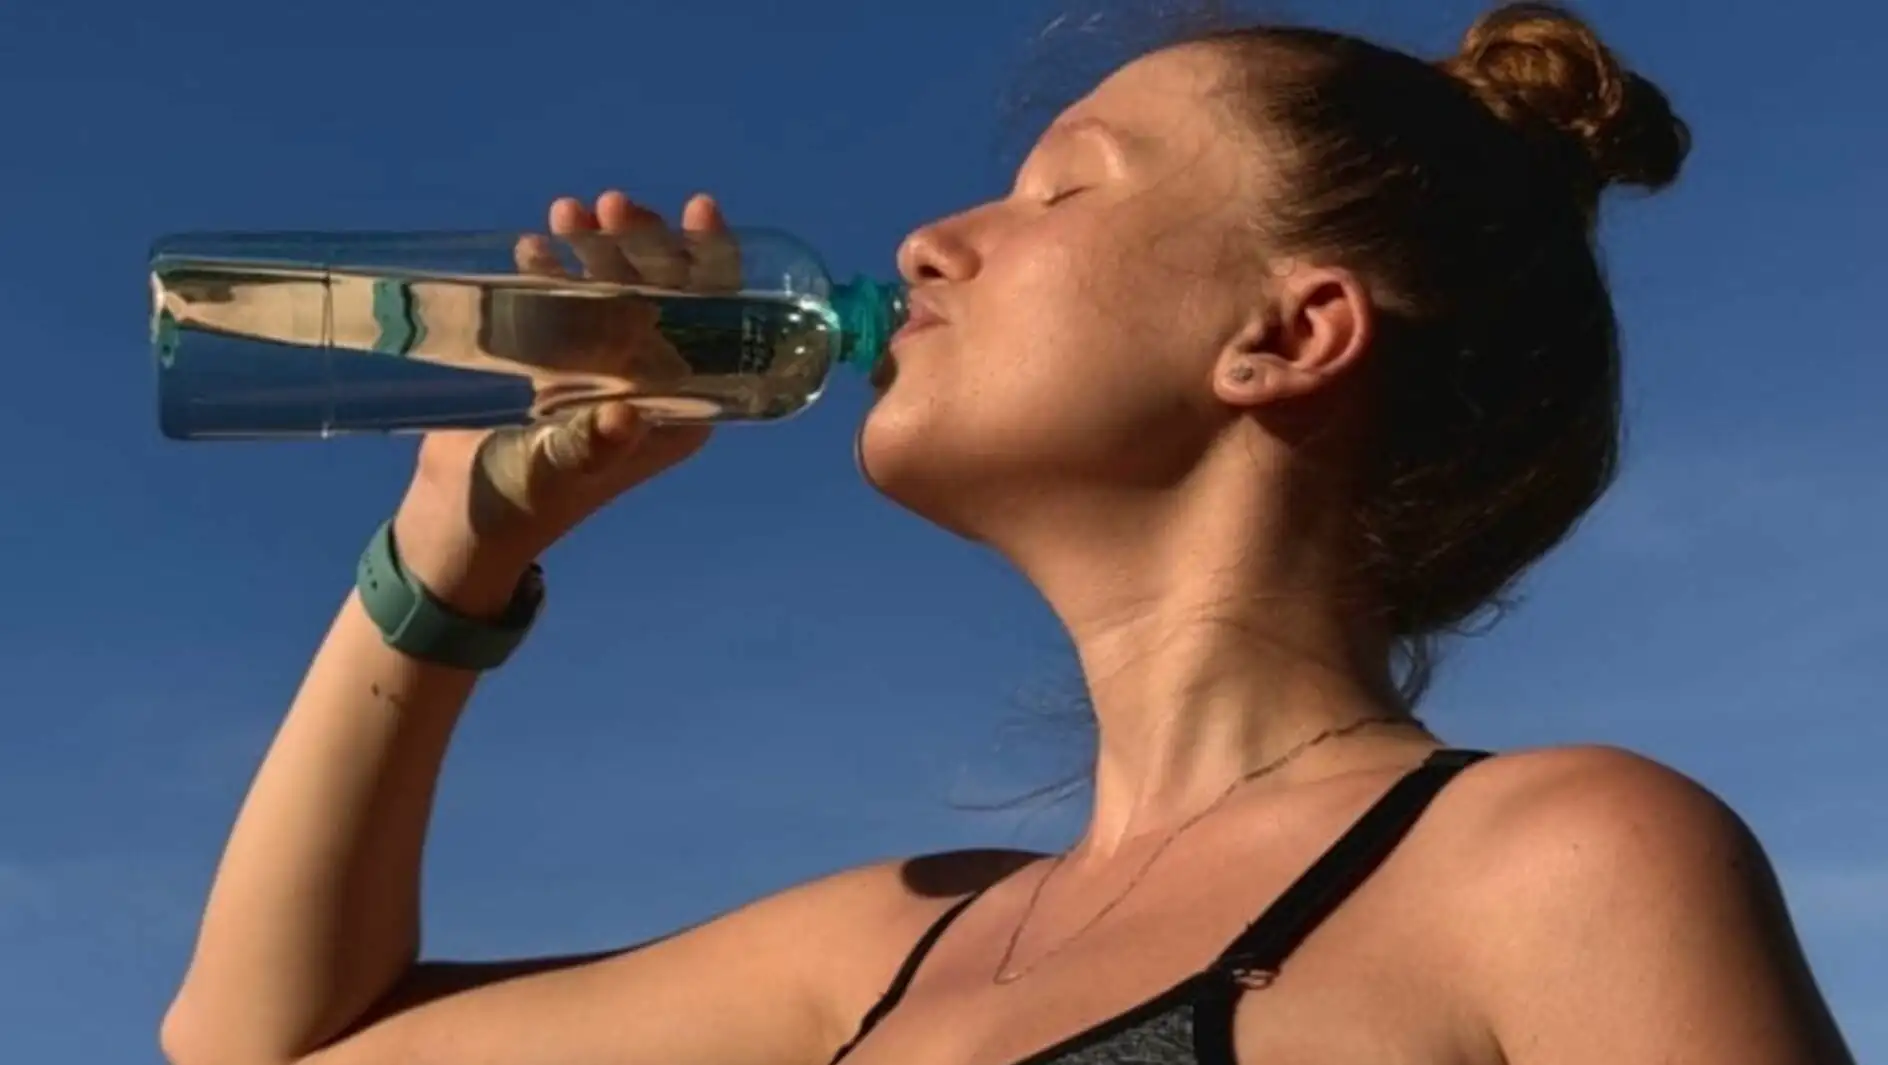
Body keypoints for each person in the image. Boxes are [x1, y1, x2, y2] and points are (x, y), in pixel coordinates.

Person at [157, 5, 1856, 1065]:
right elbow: (260, 1044)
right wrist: (447, 555)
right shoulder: (886, 950)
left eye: (1063, 190)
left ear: (1290, 333)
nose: (930, 239)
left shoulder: (1558, 863)